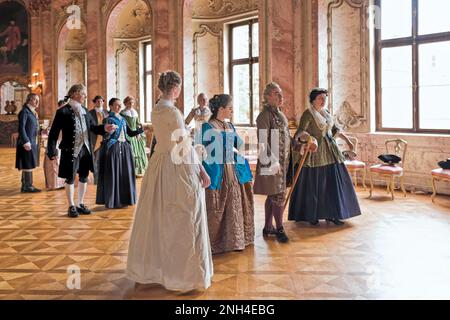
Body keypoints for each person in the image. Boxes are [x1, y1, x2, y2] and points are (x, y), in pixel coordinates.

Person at [126, 71, 213, 292]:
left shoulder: (156, 109)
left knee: (157, 217)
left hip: (159, 164)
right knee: (183, 218)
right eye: (179, 88)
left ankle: (156, 268)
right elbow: (183, 148)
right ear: (175, 88)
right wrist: (202, 171)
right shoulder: (173, 112)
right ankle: (182, 276)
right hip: (177, 167)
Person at [288, 88, 361, 225]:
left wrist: (348, 140)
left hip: (331, 151)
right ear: (313, 100)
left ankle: (333, 214)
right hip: (315, 153)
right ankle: (312, 215)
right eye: (320, 98)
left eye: (325, 98)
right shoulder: (308, 114)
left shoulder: (326, 113)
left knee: (332, 183)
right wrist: (308, 139)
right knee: (315, 184)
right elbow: (301, 132)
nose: (323, 101)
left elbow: (334, 130)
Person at [47, 84, 115, 218]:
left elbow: (93, 128)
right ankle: (71, 205)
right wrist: (52, 151)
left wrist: (104, 128)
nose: (85, 96)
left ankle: (80, 203)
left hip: (86, 149)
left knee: (84, 176)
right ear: (75, 94)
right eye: (83, 94)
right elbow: (53, 133)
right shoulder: (63, 111)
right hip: (70, 150)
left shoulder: (85, 111)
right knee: (70, 177)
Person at [201, 94, 254, 254]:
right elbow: (202, 149)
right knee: (220, 203)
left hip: (234, 166)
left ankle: (237, 239)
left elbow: (239, 144)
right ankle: (218, 242)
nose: (232, 111)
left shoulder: (229, 125)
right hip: (218, 168)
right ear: (221, 109)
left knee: (238, 200)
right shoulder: (207, 127)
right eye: (229, 108)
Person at [253, 82, 291, 243]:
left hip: (283, 162)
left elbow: (287, 138)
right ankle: (280, 228)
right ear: (267, 97)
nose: (280, 96)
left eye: (281, 93)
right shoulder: (263, 116)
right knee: (278, 195)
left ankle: (268, 226)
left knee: (273, 195)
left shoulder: (281, 115)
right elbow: (263, 141)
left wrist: (301, 142)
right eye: (276, 93)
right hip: (271, 162)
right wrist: (273, 162)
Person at [96, 98, 143, 209]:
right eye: (117, 105)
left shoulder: (122, 119)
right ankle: (113, 200)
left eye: (120, 105)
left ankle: (124, 199)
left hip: (125, 147)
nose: (119, 107)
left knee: (125, 173)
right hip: (113, 148)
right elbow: (105, 135)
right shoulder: (107, 119)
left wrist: (139, 131)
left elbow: (129, 133)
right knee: (113, 173)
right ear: (111, 106)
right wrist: (109, 132)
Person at [15, 93, 41, 193]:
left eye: (38, 100)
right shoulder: (24, 112)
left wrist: (41, 131)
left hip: (32, 142)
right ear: (29, 100)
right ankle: (27, 186)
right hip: (26, 142)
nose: (37, 102)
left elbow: (33, 127)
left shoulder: (32, 112)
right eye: (35, 100)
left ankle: (26, 184)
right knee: (27, 163)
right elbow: (21, 128)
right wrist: (26, 141)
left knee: (28, 162)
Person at [120, 96, 148, 177]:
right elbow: (124, 125)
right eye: (129, 102)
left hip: (135, 134)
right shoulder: (123, 113)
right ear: (125, 103)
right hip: (128, 134)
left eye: (132, 103)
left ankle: (138, 171)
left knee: (138, 151)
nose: (131, 104)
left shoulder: (135, 112)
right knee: (130, 152)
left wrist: (138, 133)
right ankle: (129, 171)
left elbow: (137, 123)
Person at [43, 100, 67, 190]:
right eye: (63, 106)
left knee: (61, 163)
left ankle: (61, 183)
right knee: (53, 163)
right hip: (55, 142)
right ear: (59, 107)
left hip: (62, 142)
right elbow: (52, 128)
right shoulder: (57, 115)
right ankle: (54, 184)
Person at [88, 95, 108, 184]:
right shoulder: (90, 113)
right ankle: (96, 179)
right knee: (95, 160)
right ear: (94, 102)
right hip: (95, 138)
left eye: (101, 101)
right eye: (97, 101)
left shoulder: (106, 112)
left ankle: (104, 178)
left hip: (105, 138)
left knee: (105, 159)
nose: (99, 103)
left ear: (103, 102)